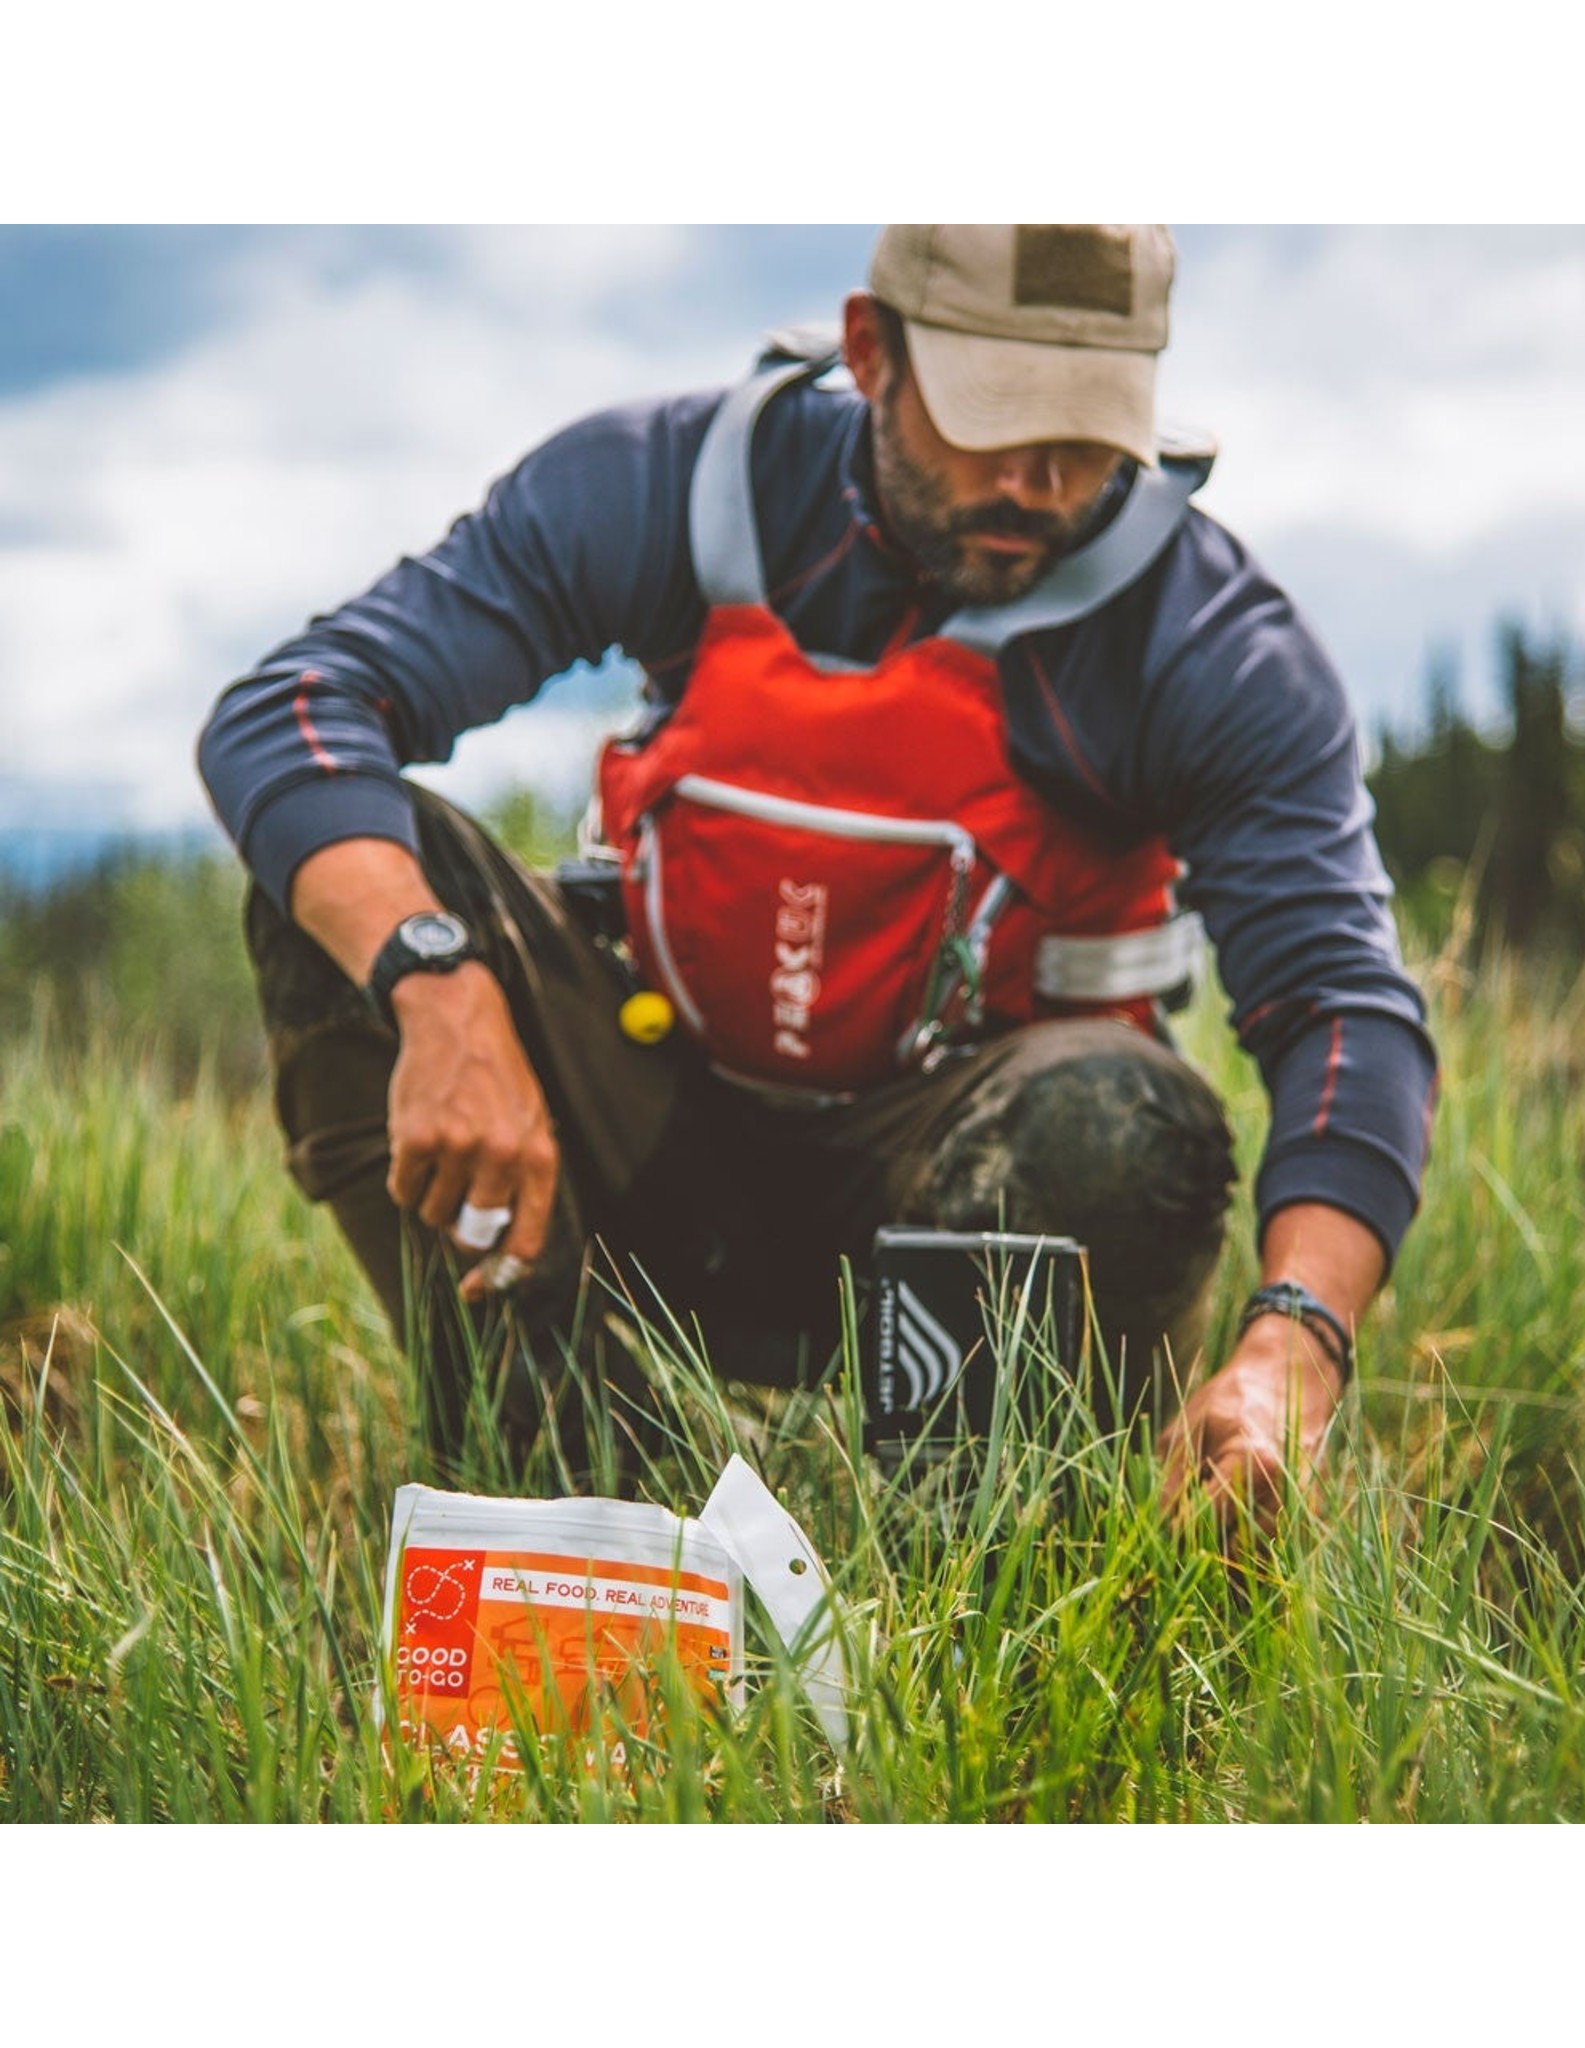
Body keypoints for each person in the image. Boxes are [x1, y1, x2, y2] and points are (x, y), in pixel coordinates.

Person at [199, 224, 1436, 1530]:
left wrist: (1296, 1342)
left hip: (961, 1183)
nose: (1036, 478)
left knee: (1122, 1123)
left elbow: (1344, 1006)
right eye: (995, 419)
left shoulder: (1209, 642)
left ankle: (982, 1558)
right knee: (348, 887)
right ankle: (565, 1483)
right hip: (656, 1131)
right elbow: (293, 710)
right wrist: (433, 987)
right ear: (872, 352)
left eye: (1086, 433)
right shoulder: (668, 484)